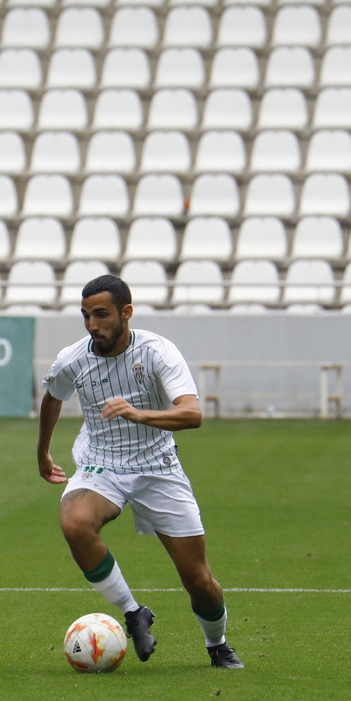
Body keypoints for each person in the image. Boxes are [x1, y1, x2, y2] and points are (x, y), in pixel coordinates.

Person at [37, 274, 244, 669]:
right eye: (85, 316)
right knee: (75, 524)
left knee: (198, 580)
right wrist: (43, 452)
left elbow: (193, 413)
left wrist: (138, 413)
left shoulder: (158, 352)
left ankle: (216, 643)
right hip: (101, 463)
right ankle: (133, 613)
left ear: (126, 312)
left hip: (157, 466)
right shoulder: (73, 358)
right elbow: (53, 397)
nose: (92, 325)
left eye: (101, 314)